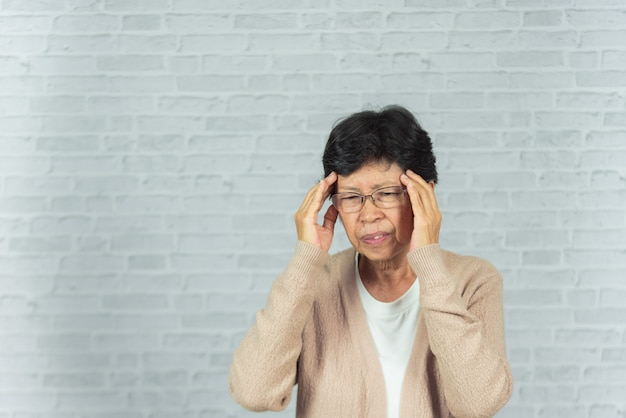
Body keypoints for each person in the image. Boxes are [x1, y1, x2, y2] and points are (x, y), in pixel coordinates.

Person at [229, 105, 513, 418]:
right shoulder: (313, 283)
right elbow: (254, 393)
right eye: (351, 197)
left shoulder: (474, 280)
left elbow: (478, 404)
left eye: (388, 193)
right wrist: (304, 262)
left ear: (425, 196)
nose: (368, 215)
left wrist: (429, 262)